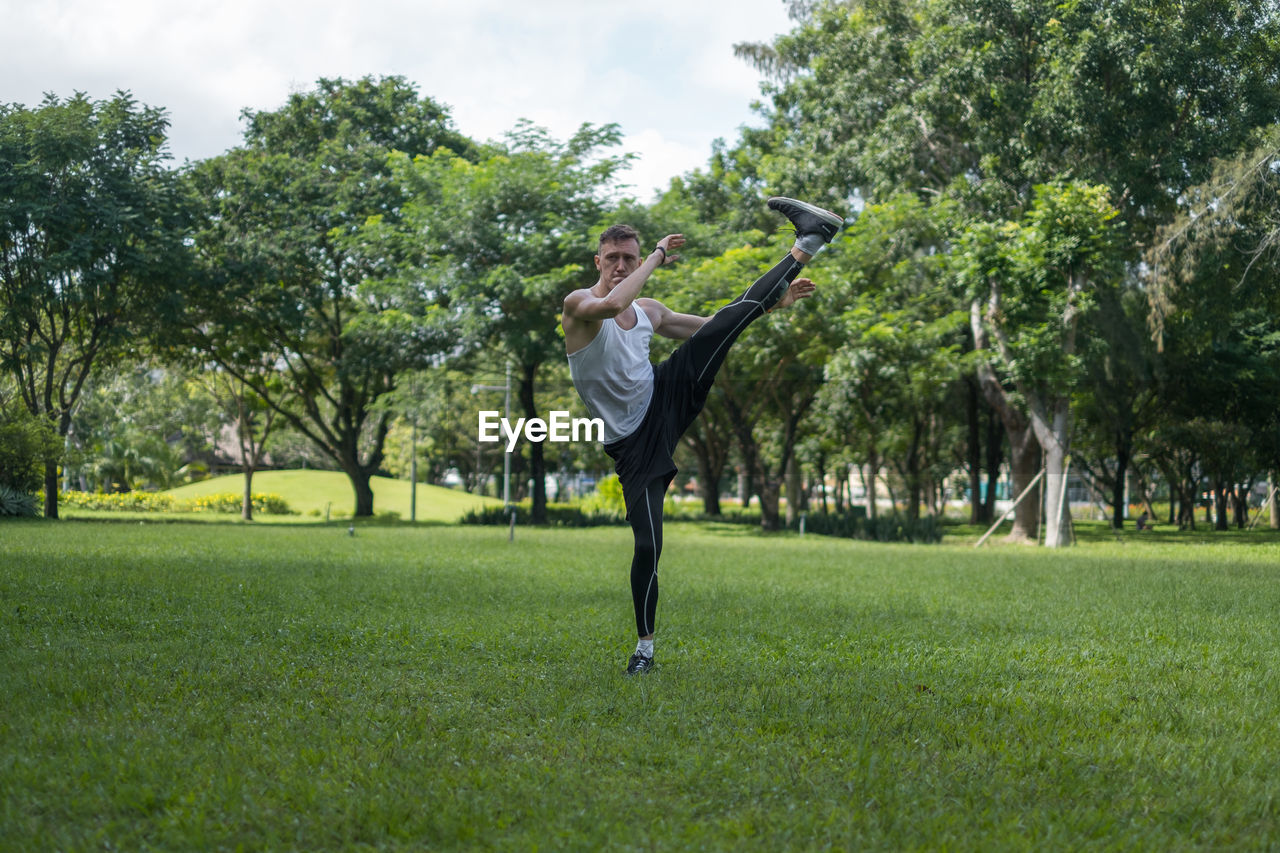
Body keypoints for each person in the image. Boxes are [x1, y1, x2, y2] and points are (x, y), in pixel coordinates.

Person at [562, 197, 844, 675]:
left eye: (629, 258)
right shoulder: (579, 306)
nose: (621, 265)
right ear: (598, 261)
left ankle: (808, 241)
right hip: (631, 444)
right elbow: (613, 303)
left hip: (665, 395)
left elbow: (716, 328)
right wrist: (655, 255)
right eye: (614, 258)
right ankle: (644, 648)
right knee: (649, 543)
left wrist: (773, 306)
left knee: (724, 329)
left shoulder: (649, 310)